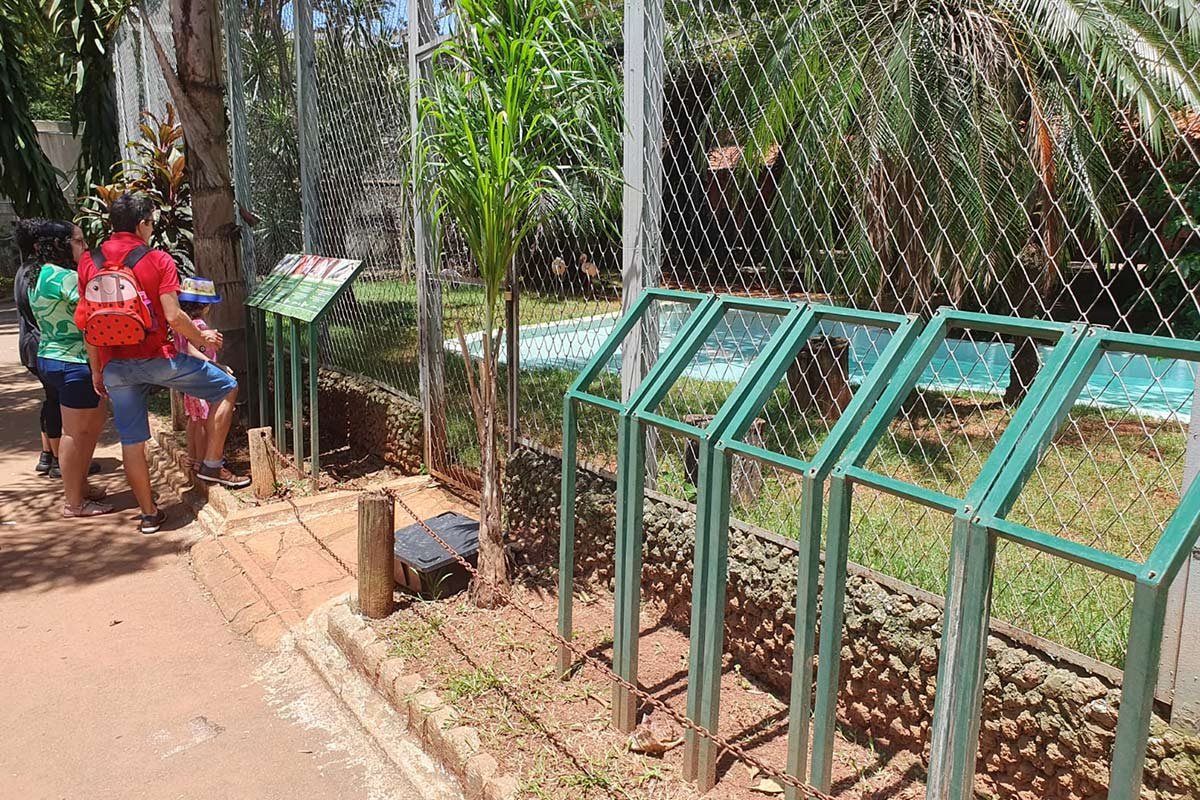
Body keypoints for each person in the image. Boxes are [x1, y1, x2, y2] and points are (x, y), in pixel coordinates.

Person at [80, 193, 250, 535]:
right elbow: (173, 316)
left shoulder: (89, 261)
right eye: (151, 222)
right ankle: (212, 465)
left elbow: (86, 324)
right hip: (159, 358)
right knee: (227, 387)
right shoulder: (157, 259)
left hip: (115, 365)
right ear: (143, 223)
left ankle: (148, 515)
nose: (152, 228)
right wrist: (202, 340)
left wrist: (97, 369)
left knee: (132, 440)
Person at [29, 220, 113, 517]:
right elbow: (95, 308)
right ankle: (74, 503)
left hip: (54, 358)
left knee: (90, 426)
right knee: (76, 433)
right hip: (74, 362)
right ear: (62, 245)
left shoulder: (39, 275)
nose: (85, 247)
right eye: (78, 241)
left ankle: (80, 486)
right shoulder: (63, 277)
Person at [13, 218, 60, 475]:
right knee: (57, 401)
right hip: (42, 345)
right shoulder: (40, 272)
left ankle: (47, 455)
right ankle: (60, 460)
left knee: (50, 399)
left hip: (29, 346)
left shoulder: (24, 269)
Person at [171, 277, 226, 472]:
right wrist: (216, 365)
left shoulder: (181, 325)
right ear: (205, 307)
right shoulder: (200, 327)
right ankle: (202, 461)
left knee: (193, 421)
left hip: (188, 380)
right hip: (201, 378)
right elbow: (191, 349)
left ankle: (193, 458)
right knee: (203, 422)